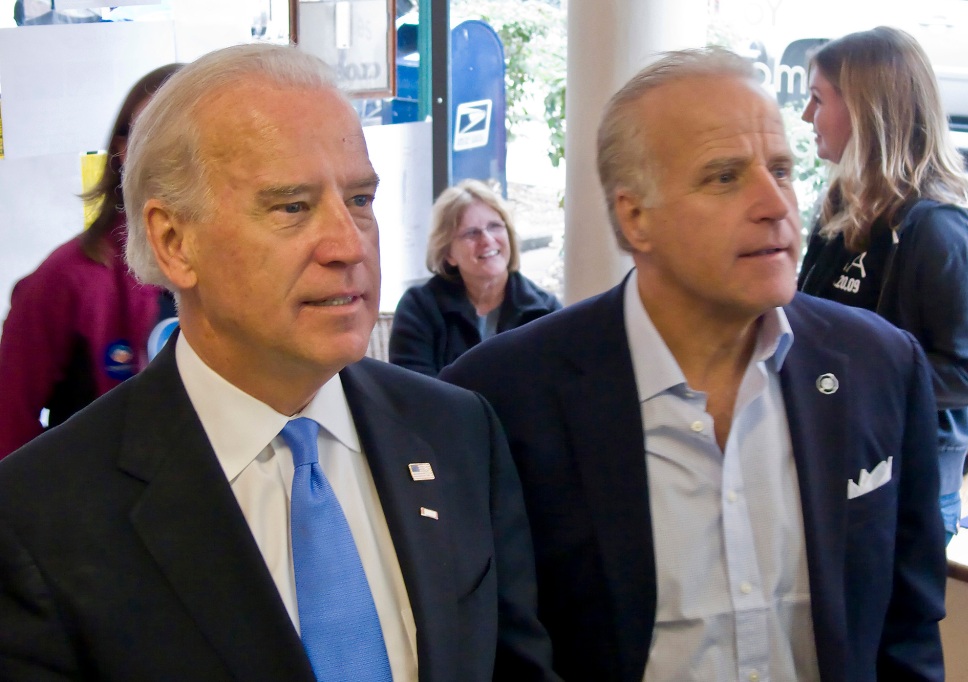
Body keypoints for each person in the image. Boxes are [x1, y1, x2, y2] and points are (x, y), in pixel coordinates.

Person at [0, 43, 556, 681]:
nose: (348, 244)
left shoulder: (457, 432)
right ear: (174, 242)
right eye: (292, 207)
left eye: (360, 199)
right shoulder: (41, 520)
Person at [441, 47, 946, 681]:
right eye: (725, 176)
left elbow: (909, 633)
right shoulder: (499, 401)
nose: (775, 203)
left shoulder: (881, 367)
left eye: (783, 169)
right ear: (635, 216)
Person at [797, 26, 968, 544]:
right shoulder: (835, 217)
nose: (805, 117)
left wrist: (858, 374)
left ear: (865, 108)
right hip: (833, 473)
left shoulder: (938, 230)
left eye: (817, 99)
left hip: (905, 492)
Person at [0, 63, 181, 459]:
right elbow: (8, 421)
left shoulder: (254, 267)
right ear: (121, 151)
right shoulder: (67, 279)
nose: (170, 155)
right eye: (150, 135)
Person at [389, 179, 561, 376]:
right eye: (471, 233)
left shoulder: (544, 311)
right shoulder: (419, 308)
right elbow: (410, 392)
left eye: (495, 226)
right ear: (448, 254)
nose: (487, 240)